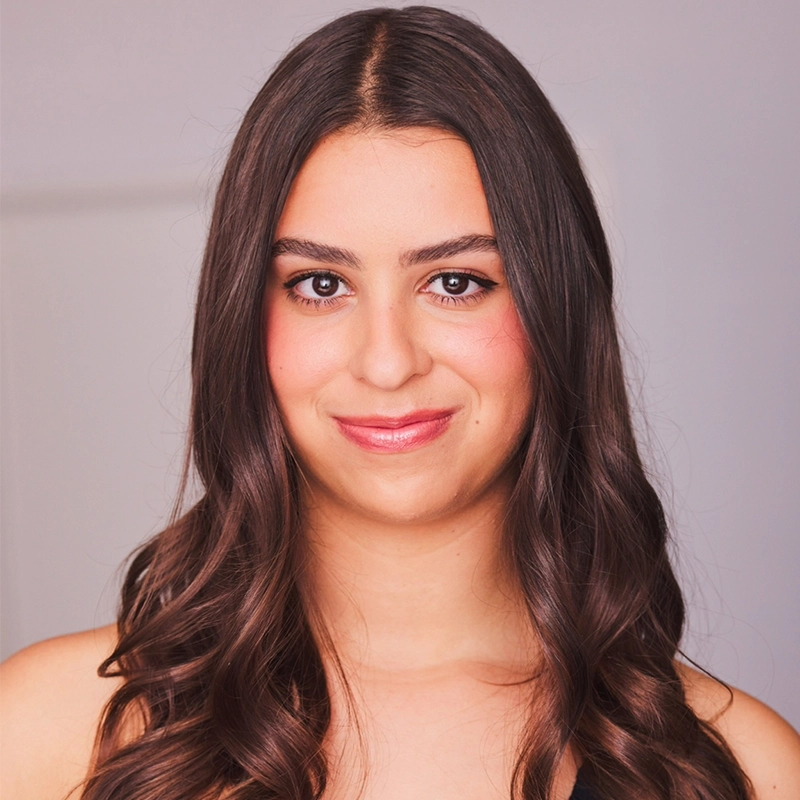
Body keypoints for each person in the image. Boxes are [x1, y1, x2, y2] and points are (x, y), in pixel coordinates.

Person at [1, 6, 798, 799]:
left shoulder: (745, 771)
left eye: (456, 283)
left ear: (558, 311)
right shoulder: (46, 735)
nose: (388, 363)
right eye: (321, 285)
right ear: (242, 319)